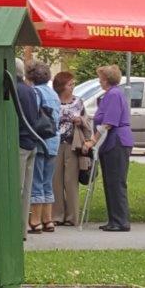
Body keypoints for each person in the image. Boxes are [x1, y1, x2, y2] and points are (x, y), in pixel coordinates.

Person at [84, 65, 134, 232]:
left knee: (116, 181)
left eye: (100, 78)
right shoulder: (111, 94)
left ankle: (121, 221)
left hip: (117, 142)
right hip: (111, 143)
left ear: (106, 79)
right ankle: (114, 219)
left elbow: (108, 123)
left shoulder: (113, 94)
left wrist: (93, 140)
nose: (99, 81)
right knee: (110, 182)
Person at [52, 71, 91, 226]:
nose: (73, 86)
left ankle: (72, 216)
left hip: (73, 145)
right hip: (55, 144)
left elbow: (87, 121)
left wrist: (80, 120)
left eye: (73, 84)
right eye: (70, 84)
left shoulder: (78, 102)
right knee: (56, 181)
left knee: (71, 181)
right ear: (61, 86)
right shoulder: (53, 101)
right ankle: (57, 215)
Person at [27, 60, 60, 233]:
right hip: (54, 141)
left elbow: (33, 116)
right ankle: (48, 220)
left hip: (40, 140)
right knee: (48, 181)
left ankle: (35, 220)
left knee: (36, 180)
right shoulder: (53, 93)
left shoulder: (35, 92)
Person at [15, 57, 38, 240]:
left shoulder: (14, 90)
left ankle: (13, 229)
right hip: (32, 142)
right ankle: (21, 230)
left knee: (16, 188)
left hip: (19, 143)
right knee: (26, 190)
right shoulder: (29, 90)